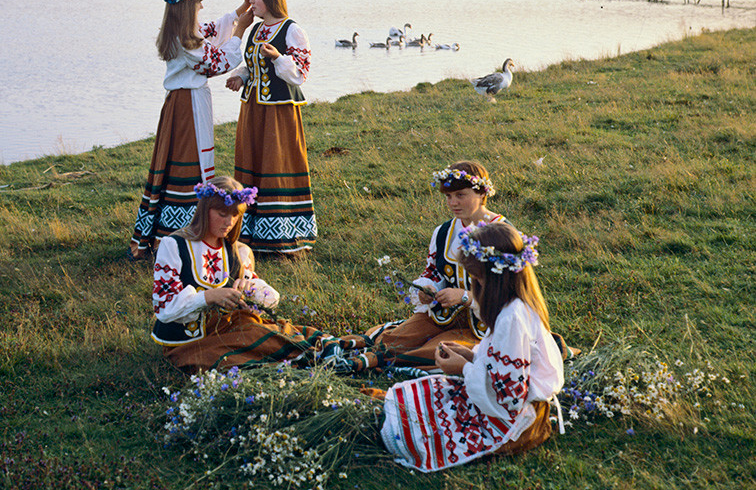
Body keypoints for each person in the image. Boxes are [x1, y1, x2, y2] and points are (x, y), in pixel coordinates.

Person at [380, 221, 565, 472]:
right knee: (422, 398)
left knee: (420, 432)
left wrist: (465, 368)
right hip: (504, 403)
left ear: (495, 277)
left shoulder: (513, 318)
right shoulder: (511, 306)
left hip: (517, 420)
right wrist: (471, 354)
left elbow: (510, 398)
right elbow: (500, 362)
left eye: (477, 279)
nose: (475, 286)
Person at [151, 176, 337, 371]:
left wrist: (250, 290)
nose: (229, 222)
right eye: (222, 214)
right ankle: (310, 355)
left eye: (236, 215)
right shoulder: (174, 246)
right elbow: (165, 309)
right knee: (244, 352)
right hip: (186, 343)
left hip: (228, 330)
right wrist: (208, 297)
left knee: (264, 334)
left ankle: (320, 351)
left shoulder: (237, 251)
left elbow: (271, 300)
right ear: (205, 211)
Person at [129, 0, 252, 260]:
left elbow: (209, 31)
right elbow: (217, 62)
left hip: (181, 102)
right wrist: (240, 31)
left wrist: (238, 11)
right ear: (188, 9)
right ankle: (180, 234)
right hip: (187, 106)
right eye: (199, 5)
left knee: (175, 162)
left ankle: (167, 233)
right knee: (190, 163)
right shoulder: (187, 41)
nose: (202, 10)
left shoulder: (179, 31)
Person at [367, 162, 503, 367]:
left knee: (439, 353)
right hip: (444, 316)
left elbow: (511, 293)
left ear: (482, 193)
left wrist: (465, 297)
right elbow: (434, 270)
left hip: (488, 322)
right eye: (448, 196)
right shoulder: (444, 232)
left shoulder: (502, 234)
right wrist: (428, 288)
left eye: (460, 195)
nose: (453, 203)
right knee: (389, 343)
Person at [225, 0, 317, 255]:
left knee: (276, 162)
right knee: (252, 159)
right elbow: (251, 63)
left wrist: (277, 58)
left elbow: (301, 73)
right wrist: (241, 75)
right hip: (253, 108)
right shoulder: (255, 29)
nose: (251, 1)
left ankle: (282, 235)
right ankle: (251, 231)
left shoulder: (291, 29)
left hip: (278, 111)